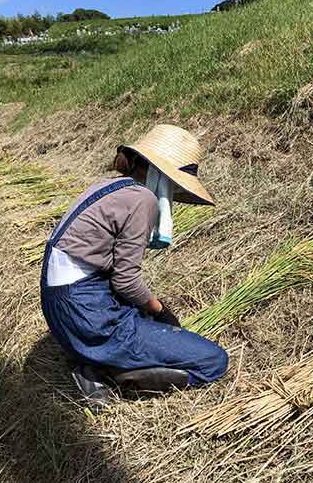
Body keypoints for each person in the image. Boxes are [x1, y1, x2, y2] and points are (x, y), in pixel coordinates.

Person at [40, 125, 228, 403]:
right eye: (174, 185)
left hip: (59, 307)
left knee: (142, 321)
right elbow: (125, 281)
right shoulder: (143, 198)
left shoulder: (106, 186)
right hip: (86, 312)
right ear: (162, 176)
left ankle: (92, 358)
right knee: (213, 361)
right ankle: (113, 374)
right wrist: (160, 309)